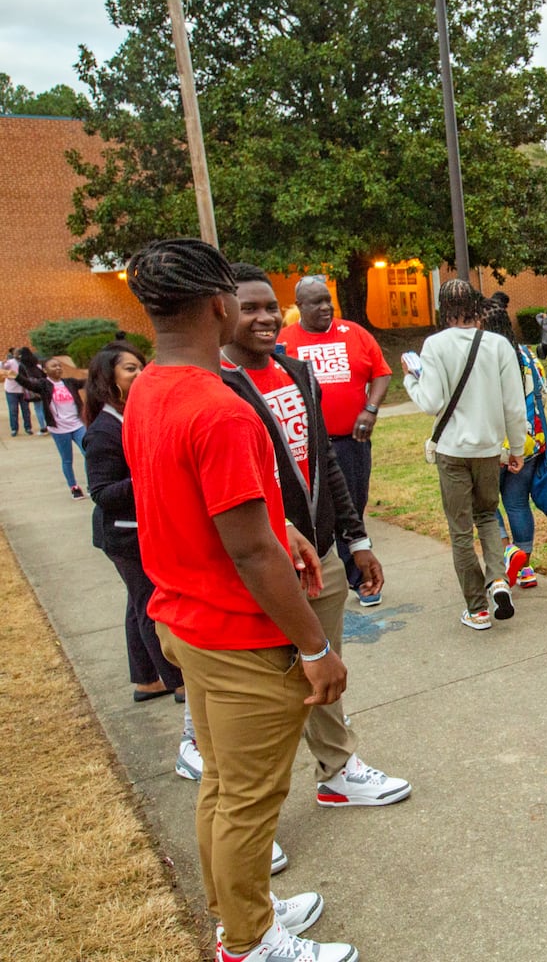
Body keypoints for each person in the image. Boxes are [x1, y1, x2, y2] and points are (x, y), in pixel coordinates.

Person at [122, 238, 356, 962]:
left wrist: (282, 523)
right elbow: (248, 552)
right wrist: (314, 647)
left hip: (185, 621)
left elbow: (212, 508)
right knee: (250, 802)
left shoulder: (149, 388)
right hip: (238, 634)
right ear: (218, 304)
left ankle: (243, 908)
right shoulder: (220, 409)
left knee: (222, 788)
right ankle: (248, 943)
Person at [223, 264, 411, 809]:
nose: (261, 318)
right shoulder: (217, 384)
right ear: (223, 312)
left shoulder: (295, 372)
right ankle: (253, 810)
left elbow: (325, 461)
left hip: (321, 551)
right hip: (260, 559)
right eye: (247, 307)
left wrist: (354, 538)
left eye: (266, 307)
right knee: (262, 688)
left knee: (326, 668)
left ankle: (337, 770)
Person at [81, 340, 198, 785]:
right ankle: (176, 682)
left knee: (136, 605)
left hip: (140, 529)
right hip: (125, 535)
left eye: (141, 365)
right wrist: (154, 471)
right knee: (152, 604)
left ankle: (145, 680)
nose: (140, 372)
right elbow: (103, 492)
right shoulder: (103, 431)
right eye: (131, 369)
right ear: (109, 378)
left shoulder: (133, 415)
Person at [403, 279, 526, 630]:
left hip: (452, 451)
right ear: (476, 305)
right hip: (488, 449)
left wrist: (411, 379)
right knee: (487, 516)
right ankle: (498, 581)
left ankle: (477, 609)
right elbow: (513, 405)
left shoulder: (434, 345)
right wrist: (515, 448)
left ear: (443, 309)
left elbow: (431, 402)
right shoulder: (499, 345)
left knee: (460, 530)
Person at [279, 274, 392, 606]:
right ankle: (326, 575)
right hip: (305, 447)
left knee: (352, 506)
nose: (326, 307)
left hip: (350, 442)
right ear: (300, 307)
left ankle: (355, 575)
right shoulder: (286, 342)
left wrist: (370, 409)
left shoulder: (354, 333)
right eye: (317, 302)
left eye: (328, 299)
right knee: (313, 511)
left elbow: (381, 372)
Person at [484, 295, 544, 589]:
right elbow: (542, 392)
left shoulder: (484, 357)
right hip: (528, 442)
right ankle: (526, 568)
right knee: (518, 504)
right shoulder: (527, 355)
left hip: (492, 445)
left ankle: (508, 551)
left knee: (483, 504)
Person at [15, 355, 88, 497]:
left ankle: (92, 484)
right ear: (45, 370)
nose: (58, 368)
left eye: (59, 365)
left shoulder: (70, 382)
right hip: (59, 429)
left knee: (89, 454)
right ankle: (74, 487)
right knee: (67, 459)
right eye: (53, 366)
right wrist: (16, 376)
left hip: (77, 425)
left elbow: (87, 382)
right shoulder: (43, 385)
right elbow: (29, 384)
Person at [3, 347, 38, 436]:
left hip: (23, 390)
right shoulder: (10, 362)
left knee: (26, 410)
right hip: (11, 391)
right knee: (13, 410)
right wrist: (4, 365)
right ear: (13, 355)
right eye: (16, 353)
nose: (18, 355)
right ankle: (14, 429)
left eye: (19, 353)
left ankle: (28, 427)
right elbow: (4, 367)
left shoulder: (25, 363)